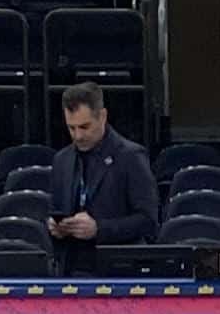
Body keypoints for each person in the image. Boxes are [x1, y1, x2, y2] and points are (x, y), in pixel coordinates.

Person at [46, 85, 156, 268]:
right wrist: (55, 227)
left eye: (84, 127)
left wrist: (99, 229)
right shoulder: (62, 160)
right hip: (71, 271)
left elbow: (148, 222)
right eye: (71, 128)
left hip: (118, 272)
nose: (78, 136)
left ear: (102, 116)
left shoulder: (130, 157)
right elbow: (54, 210)